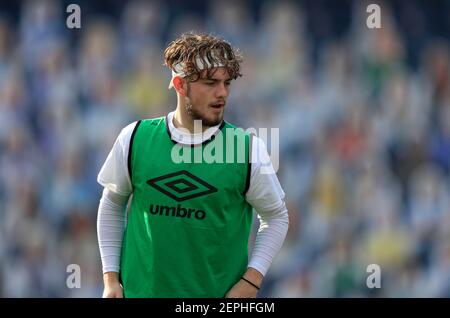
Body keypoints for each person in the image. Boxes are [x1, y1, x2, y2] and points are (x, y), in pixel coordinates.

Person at [97, 32, 289, 298]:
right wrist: (110, 279)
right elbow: (112, 202)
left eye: (226, 83)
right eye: (210, 83)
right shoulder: (134, 138)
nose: (222, 93)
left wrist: (251, 281)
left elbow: (276, 216)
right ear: (180, 85)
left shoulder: (246, 149)